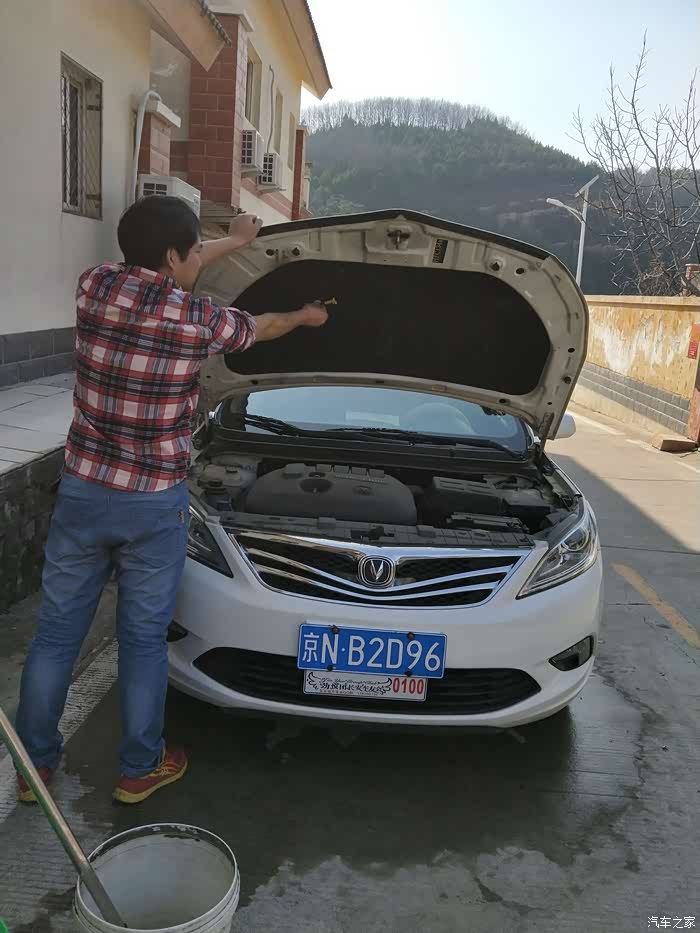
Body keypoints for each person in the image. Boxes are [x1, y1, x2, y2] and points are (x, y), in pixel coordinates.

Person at [15, 196, 328, 805]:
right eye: (194, 251)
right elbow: (262, 327)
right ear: (173, 256)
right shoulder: (198, 318)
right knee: (141, 639)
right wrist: (303, 316)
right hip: (153, 503)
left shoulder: (95, 286)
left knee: (55, 635)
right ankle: (139, 767)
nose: (198, 259)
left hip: (83, 490)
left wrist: (236, 241)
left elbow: (175, 259)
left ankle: (33, 769)